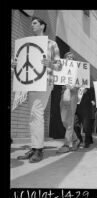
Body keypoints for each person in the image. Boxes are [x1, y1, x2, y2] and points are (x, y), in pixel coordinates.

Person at [12, 16, 61, 163]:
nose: (32, 26)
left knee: (37, 113)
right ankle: (34, 148)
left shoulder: (51, 44)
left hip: (45, 81)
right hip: (31, 83)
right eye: (31, 23)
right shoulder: (29, 44)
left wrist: (50, 63)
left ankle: (38, 149)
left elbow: (59, 66)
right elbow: (21, 64)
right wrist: (15, 64)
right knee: (33, 115)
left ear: (42, 26)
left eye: (34, 23)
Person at [57, 52, 81, 153]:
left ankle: (66, 144)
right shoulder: (61, 69)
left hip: (73, 94)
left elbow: (81, 82)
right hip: (63, 94)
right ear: (64, 59)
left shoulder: (78, 70)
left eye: (72, 58)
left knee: (70, 119)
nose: (70, 58)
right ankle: (76, 140)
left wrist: (74, 87)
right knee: (64, 120)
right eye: (68, 57)